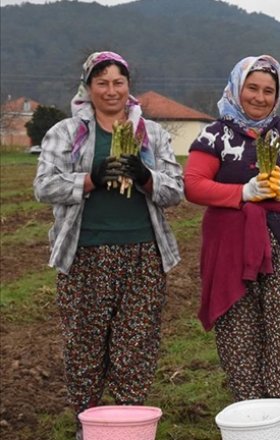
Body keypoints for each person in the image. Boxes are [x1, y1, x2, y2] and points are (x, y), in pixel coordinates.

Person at [33, 51, 183, 440]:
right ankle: (90, 424)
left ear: (128, 86)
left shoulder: (152, 134)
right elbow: (43, 186)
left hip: (142, 254)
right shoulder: (65, 133)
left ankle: (129, 424)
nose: (111, 90)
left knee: (135, 344)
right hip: (84, 254)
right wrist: (90, 178)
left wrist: (145, 176)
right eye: (102, 83)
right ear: (88, 87)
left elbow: (175, 190)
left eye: (118, 82)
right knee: (84, 344)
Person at [183, 54, 280, 440]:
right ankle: (250, 418)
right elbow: (194, 184)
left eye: (269, 90)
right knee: (238, 332)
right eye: (253, 88)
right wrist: (242, 193)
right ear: (237, 87)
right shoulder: (214, 135)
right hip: (230, 248)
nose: (260, 97)